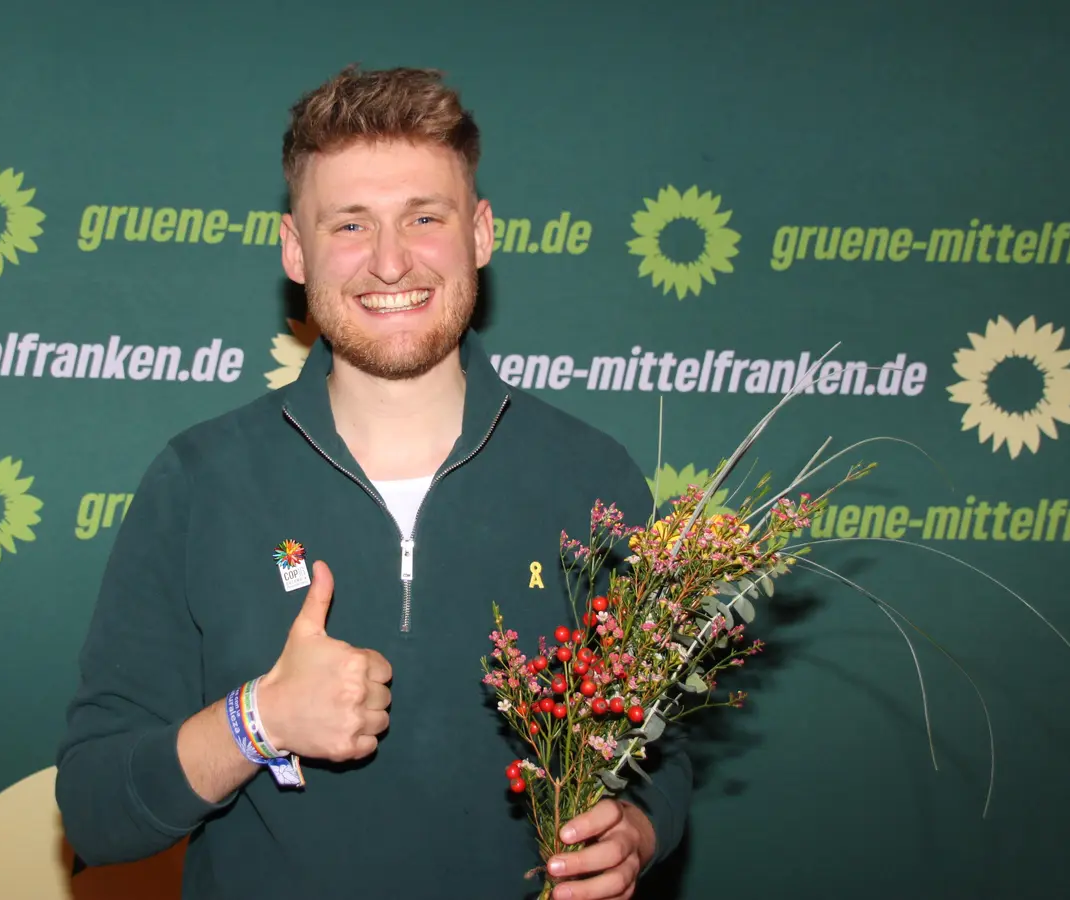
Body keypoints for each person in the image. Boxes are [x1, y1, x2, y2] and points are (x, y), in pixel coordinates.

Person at [55, 64, 693, 900]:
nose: (391, 263)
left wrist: (638, 829)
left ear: (481, 233)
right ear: (295, 248)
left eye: (424, 217)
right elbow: (98, 810)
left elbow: (659, 756)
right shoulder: (199, 480)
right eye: (350, 225)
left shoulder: (591, 477)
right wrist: (260, 722)